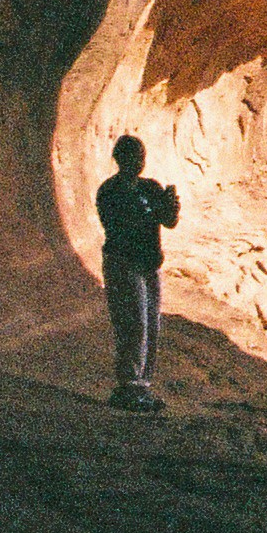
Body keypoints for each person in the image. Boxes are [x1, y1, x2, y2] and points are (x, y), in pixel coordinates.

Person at [95, 134, 178, 414]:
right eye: (134, 156)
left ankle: (141, 385)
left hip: (148, 265)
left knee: (151, 326)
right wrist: (152, 211)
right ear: (120, 159)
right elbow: (117, 227)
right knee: (134, 325)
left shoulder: (150, 187)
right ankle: (129, 385)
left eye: (141, 156)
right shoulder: (110, 191)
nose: (139, 162)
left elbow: (169, 222)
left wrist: (170, 208)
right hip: (123, 263)